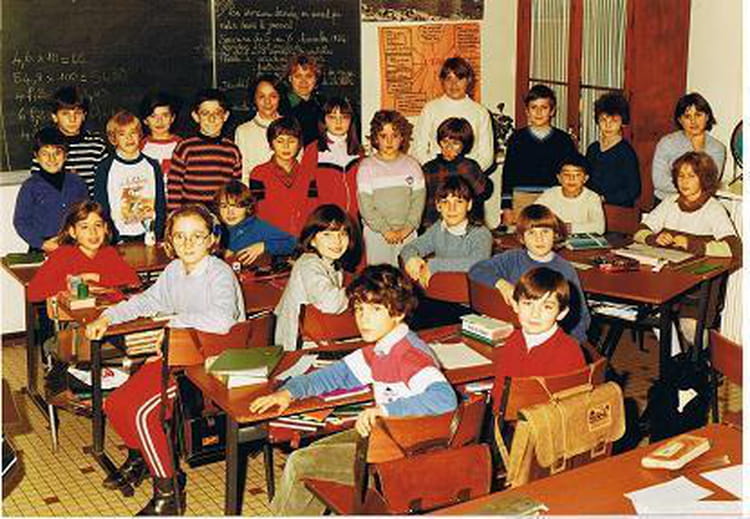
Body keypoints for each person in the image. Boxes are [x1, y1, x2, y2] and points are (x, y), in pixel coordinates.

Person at [250, 264, 457, 515]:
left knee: (301, 463)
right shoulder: (379, 350)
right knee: (310, 453)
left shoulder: (408, 355)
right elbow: (336, 375)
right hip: (387, 437)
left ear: (399, 312)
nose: (364, 318)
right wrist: (290, 392)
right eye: (359, 309)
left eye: (375, 309)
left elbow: (444, 398)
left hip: (406, 453)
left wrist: (385, 410)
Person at [85, 205, 245, 516]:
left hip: (212, 366)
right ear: (169, 241)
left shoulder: (219, 273)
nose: (188, 243)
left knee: (143, 414)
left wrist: (175, 323)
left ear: (212, 239)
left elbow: (223, 319)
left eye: (197, 236)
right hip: (181, 356)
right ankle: (143, 460)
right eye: (180, 236)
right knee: (115, 404)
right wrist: (108, 316)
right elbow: (146, 301)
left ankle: (169, 492)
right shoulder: (173, 271)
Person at [469, 204, 590, 343]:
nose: (539, 239)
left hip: (549, 338)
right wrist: (502, 284)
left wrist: (573, 344)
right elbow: (476, 270)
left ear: (555, 235)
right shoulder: (512, 258)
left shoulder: (566, 269)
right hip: (510, 335)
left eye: (545, 232)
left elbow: (580, 317)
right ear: (522, 238)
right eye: (531, 233)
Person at [490, 267, 586, 411]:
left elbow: (567, 408)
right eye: (528, 304)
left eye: (547, 307)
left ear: (561, 313)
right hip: (505, 417)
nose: (535, 314)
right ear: (516, 305)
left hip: (544, 421)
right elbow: (499, 389)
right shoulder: (514, 339)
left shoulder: (568, 351)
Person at [273, 204, 360, 351]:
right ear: (312, 239)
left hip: (318, 336)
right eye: (327, 234)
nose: (337, 241)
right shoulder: (309, 264)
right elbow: (331, 303)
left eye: (343, 234)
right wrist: (359, 290)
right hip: (298, 346)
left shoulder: (332, 264)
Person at [27, 201, 140, 303]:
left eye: (98, 225)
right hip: (77, 316)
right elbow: (33, 293)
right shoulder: (62, 255)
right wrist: (70, 284)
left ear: (105, 228)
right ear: (73, 232)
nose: (93, 232)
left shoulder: (108, 253)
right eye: (84, 227)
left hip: (110, 312)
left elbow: (134, 281)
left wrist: (92, 277)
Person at [635, 151, 739, 257]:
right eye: (681, 176)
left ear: (704, 179)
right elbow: (639, 231)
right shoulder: (669, 202)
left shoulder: (714, 208)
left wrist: (691, 245)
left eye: (691, 176)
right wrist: (654, 238)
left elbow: (733, 248)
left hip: (698, 264)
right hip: (669, 260)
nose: (684, 182)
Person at [357, 110, 425, 266]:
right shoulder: (366, 167)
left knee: (408, 273)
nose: (389, 141)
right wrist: (384, 229)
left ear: (402, 138)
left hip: (407, 232)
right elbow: (366, 205)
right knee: (379, 275)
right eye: (383, 136)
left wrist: (408, 227)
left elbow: (418, 202)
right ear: (375, 138)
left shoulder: (413, 166)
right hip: (377, 233)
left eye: (394, 136)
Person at [501, 85, 577, 223]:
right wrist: (506, 207)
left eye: (544, 107)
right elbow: (508, 174)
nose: (538, 112)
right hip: (522, 199)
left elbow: (569, 174)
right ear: (527, 111)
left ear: (552, 111)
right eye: (534, 107)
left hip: (554, 199)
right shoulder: (517, 138)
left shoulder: (564, 140)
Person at [401, 176, 492, 288]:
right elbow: (409, 248)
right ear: (438, 206)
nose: (451, 208)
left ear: (469, 205)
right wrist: (411, 259)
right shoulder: (438, 228)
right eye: (445, 202)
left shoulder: (481, 233)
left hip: (469, 295)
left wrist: (433, 265)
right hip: (441, 291)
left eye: (459, 202)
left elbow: (477, 263)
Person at [93, 111, 166, 242]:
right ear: (113, 138)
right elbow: (101, 206)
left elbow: (160, 204)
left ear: (140, 135)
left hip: (149, 236)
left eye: (133, 133)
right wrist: (113, 237)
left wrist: (156, 231)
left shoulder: (152, 165)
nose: (129, 138)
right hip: (119, 238)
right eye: (122, 134)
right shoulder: (105, 168)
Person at [412, 57, 494, 172]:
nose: (454, 84)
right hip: (437, 175)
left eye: (459, 78)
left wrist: (466, 173)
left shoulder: (480, 112)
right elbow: (418, 149)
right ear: (442, 81)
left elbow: (486, 156)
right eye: (448, 78)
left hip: (468, 177)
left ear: (468, 80)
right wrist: (437, 170)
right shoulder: (430, 109)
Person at [14, 127, 88, 253]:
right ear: (36, 156)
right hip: (43, 248)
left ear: (66, 155)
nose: (51, 159)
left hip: (74, 245)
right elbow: (21, 222)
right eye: (45, 153)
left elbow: (86, 214)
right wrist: (42, 244)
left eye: (57, 153)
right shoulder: (30, 187)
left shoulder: (77, 182)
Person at [167, 88, 242, 211]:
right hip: (191, 214)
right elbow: (174, 185)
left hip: (220, 215)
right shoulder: (185, 148)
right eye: (205, 113)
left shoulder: (232, 151)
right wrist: (174, 213)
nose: (212, 119)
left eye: (217, 113)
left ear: (225, 116)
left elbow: (234, 188)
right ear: (196, 116)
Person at [30, 85, 107, 197]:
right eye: (65, 113)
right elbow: (37, 184)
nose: (72, 119)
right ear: (55, 117)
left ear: (84, 115)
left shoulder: (96, 145)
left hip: (88, 205)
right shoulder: (46, 145)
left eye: (77, 113)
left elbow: (104, 183)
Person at [249, 116, 318, 236]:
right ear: (271, 144)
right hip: (271, 239)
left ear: (299, 144)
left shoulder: (309, 173)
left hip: (302, 238)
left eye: (291, 141)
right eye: (280, 141)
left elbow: (312, 209)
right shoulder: (259, 174)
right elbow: (258, 212)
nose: (286, 146)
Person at [652, 93, 726, 203]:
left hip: (699, 203)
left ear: (707, 117)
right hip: (666, 201)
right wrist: (692, 188)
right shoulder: (667, 143)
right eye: (687, 116)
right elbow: (659, 181)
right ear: (680, 120)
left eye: (698, 115)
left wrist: (699, 151)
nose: (693, 121)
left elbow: (709, 183)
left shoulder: (717, 148)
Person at [420, 117, 492, 230]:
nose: (449, 147)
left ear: (464, 146)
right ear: (439, 142)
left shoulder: (468, 166)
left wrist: (462, 164)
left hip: (465, 225)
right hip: (434, 224)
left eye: (455, 143)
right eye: (445, 142)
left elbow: (483, 192)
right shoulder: (429, 168)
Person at [300, 97, 363, 219]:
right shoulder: (313, 149)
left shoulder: (358, 151)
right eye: (332, 117)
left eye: (344, 117)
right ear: (324, 120)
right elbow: (305, 190)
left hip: (353, 220)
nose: (338, 123)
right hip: (325, 220)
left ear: (351, 121)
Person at [213, 180, 296, 266]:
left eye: (237, 206)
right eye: (224, 206)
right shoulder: (215, 227)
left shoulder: (257, 227)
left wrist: (264, 246)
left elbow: (293, 243)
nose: (230, 212)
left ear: (247, 207)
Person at [585, 92, 641, 207]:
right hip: (592, 205)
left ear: (623, 123)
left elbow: (634, 190)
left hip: (618, 208)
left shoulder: (626, 152)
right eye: (603, 120)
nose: (608, 125)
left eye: (614, 121)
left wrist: (605, 198)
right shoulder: (593, 149)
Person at [535, 153, 605, 234]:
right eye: (566, 174)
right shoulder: (550, 194)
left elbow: (600, 228)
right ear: (559, 178)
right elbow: (533, 215)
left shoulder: (592, 197)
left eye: (577, 175)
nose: (571, 179)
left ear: (585, 179)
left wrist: (565, 227)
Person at [234, 75, 283, 185]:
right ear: (254, 99)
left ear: (280, 97)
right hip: (255, 192)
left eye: (273, 96)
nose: (267, 101)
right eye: (261, 96)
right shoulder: (243, 131)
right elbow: (243, 174)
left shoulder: (290, 127)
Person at [140, 91, 182, 191]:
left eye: (165, 115)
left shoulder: (182, 145)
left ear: (172, 118)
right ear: (145, 120)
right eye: (153, 116)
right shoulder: (139, 147)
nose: (159, 121)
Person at [284, 54, 326, 146]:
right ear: (290, 78)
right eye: (298, 76)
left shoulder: (323, 105)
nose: (303, 81)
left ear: (316, 79)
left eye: (309, 76)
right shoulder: (280, 106)